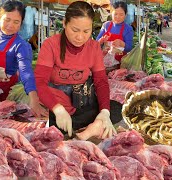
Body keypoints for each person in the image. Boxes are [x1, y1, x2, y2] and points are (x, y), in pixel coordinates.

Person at [34, 1, 122, 139]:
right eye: (75, 30)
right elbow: (39, 82)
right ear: (64, 23)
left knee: (116, 109)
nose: (80, 37)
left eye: (86, 31)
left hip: (82, 105)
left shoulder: (93, 47)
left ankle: (89, 129)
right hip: (57, 108)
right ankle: (88, 130)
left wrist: (104, 112)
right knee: (55, 133)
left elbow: (101, 82)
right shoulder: (50, 45)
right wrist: (58, 109)